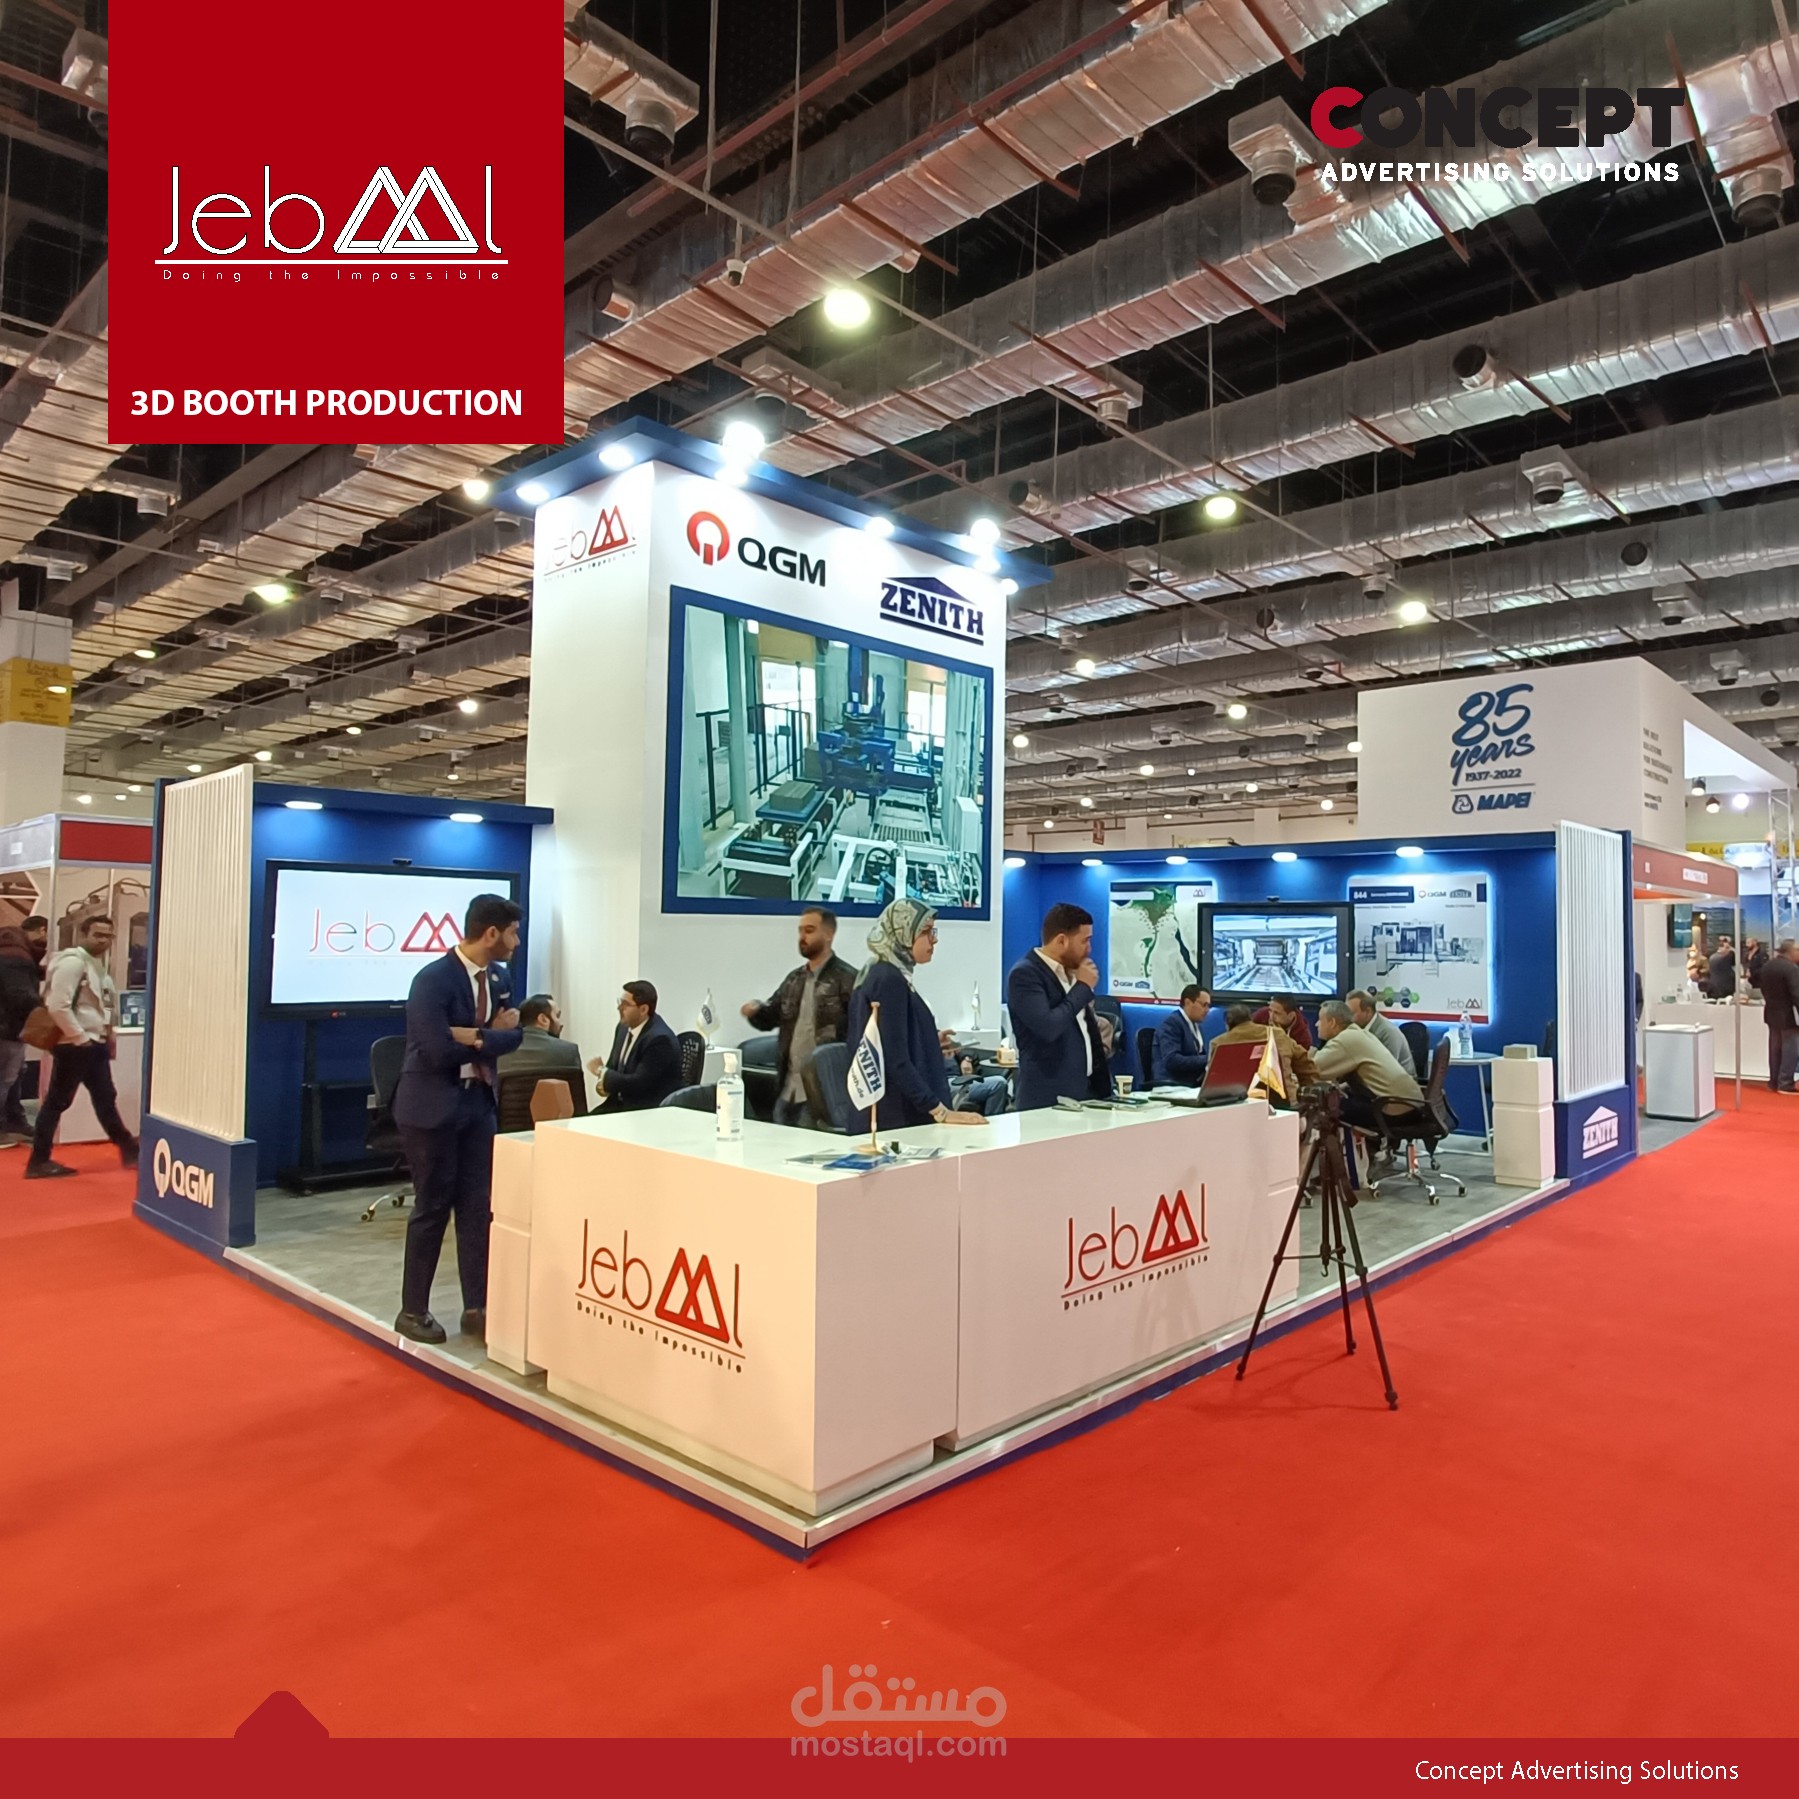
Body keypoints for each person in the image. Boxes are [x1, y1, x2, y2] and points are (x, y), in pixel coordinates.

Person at [390, 893, 523, 1343]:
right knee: (432, 1207)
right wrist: (490, 1036)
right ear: (491, 933)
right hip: (431, 1108)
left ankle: (477, 1306)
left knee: (476, 1208)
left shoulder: (499, 978)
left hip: (479, 1105)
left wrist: (475, 1037)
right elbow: (435, 1049)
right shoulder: (432, 980)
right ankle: (413, 1310)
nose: (516, 943)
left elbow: (515, 1035)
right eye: (512, 934)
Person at [845, 898, 985, 1130]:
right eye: (926, 932)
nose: (934, 939)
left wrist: (928, 1042)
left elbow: (889, 1039)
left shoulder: (880, 973)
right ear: (903, 932)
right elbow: (894, 1059)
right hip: (895, 1119)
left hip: (892, 1114)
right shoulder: (888, 980)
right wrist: (940, 1111)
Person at [23, 916, 139, 1178]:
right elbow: (58, 1005)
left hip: (90, 1042)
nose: (103, 940)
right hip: (75, 1044)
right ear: (83, 934)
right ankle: (38, 1160)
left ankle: (129, 1148)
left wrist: (105, 1034)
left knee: (104, 1097)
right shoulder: (73, 963)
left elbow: (100, 1004)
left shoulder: (95, 965)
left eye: (108, 935)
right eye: (97, 934)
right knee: (59, 1101)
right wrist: (80, 1038)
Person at [740, 907, 858, 1126]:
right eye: (800, 930)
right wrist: (755, 1010)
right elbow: (771, 1017)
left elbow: (860, 1034)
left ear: (829, 934)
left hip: (824, 1090)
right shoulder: (794, 980)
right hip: (788, 1088)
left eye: (809, 930)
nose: (802, 937)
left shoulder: (848, 980)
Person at [1006, 902, 1109, 1110]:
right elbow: (1048, 1027)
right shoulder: (1025, 974)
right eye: (1085, 941)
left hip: (1087, 1094)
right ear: (1062, 940)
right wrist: (1082, 988)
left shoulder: (1071, 972)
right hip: (1048, 1099)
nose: (1089, 949)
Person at [1313, 997, 1424, 1144]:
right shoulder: (1360, 1033)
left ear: (1332, 1022)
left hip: (1395, 1110)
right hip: (1411, 1106)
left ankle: (1340, 1157)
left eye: (1320, 1020)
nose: (1316, 1024)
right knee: (1342, 1100)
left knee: (1326, 1107)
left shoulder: (1346, 1040)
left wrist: (1302, 1054)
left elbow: (1312, 1069)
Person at [589, 981, 684, 1112]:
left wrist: (601, 1071)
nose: (619, 1008)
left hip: (646, 1109)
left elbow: (638, 1083)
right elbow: (613, 1067)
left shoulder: (660, 1039)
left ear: (643, 1009)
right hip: (620, 1103)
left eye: (625, 1004)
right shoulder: (622, 1028)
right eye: (619, 1002)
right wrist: (604, 1078)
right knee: (578, 1121)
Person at [1, 914, 47, 1139]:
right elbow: (19, 994)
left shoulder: (10, 950)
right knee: (5, 1078)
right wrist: (46, 1007)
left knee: (15, 1074)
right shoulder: (17, 956)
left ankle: (13, 1119)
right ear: (41, 930)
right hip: (7, 1028)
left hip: (8, 1027)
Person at [1213, 1002, 1318, 1089]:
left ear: (1227, 1024)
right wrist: (1306, 1091)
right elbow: (1305, 1063)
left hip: (1238, 1101)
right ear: (1250, 1018)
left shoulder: (1218, 1043)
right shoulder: (1277, 1034)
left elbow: (1214, 1079)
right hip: (1284, 1101)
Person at [496, 994, 583, 1078]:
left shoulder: (500, 1055)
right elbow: (576, 1088)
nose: (561, 1024)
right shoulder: (569, 1051)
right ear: (543, 1019)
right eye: (557, 1016)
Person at [1758, 938, 1799, 1094]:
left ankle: (1774, 1081)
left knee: (1775, 1048)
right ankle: (1785, 1082)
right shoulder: (1791, 969)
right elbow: (1797, 994)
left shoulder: (1768, 966)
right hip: (1788, 1015)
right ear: (1790, 951)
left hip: (1771, 1012)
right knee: (1790, 1049)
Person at [1151, 985, 1211, 1087]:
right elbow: (1172, 1060)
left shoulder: (1195, 1025)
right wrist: (1208, 1059)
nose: (1207, 1010)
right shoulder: (1172, 1023)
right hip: (1172, 1084)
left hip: (1190, 1083)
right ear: (1188, 1002)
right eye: (1204, 1005)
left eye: (1208, 1006)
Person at [1348, 989, 1412, 1071]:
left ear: (1367, 1011)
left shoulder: (1389, 1032)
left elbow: (1387, 1070)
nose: (1348, 1018)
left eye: (1352, 1013)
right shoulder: (1357, 1027)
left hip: (1399, 1078)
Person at [1706, 936, 1737, 1000]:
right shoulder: (1726, 957)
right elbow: (1736, 954)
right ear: (1721, 948)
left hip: (1714, 986)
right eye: (1727, 948)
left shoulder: (1712, 957)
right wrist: (1731, 948)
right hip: (1725, 987)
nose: (1729, 950)